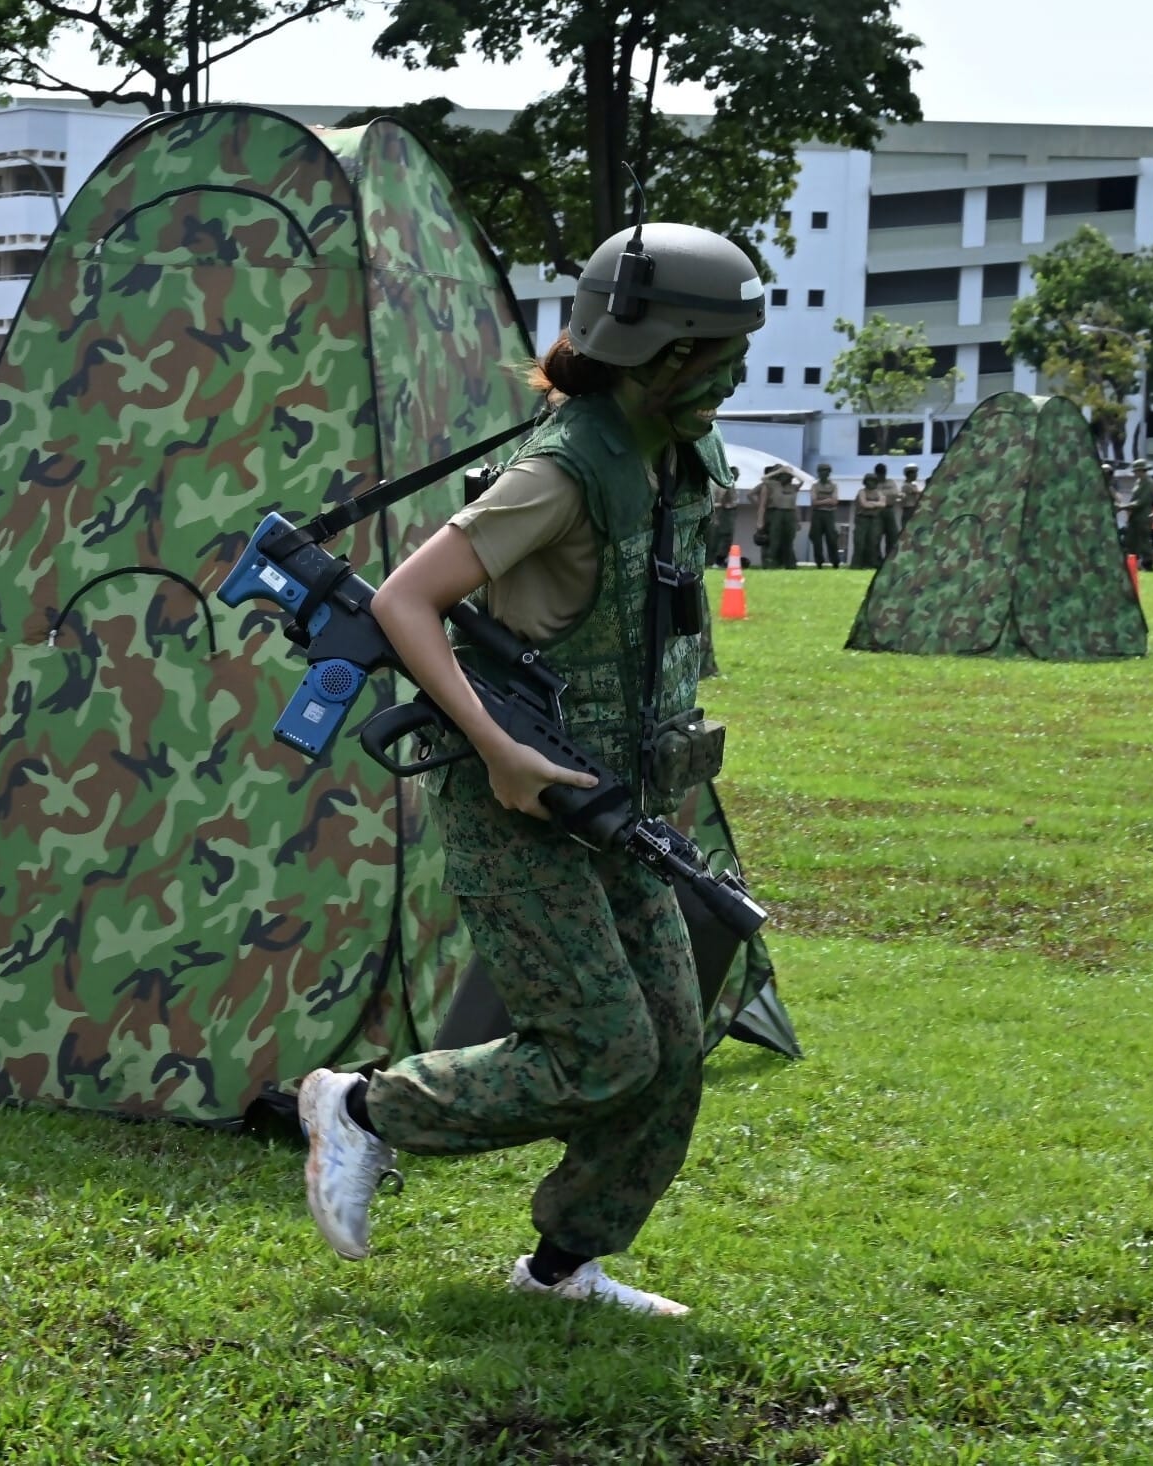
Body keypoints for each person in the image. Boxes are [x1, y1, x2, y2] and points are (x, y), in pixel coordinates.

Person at [293, 219, 764, 1318]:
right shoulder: (558, 471)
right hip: (519, 797)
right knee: (600, 1049)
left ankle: (562, 1268)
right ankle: (362, 1107)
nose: (729, 379)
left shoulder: (672, 456)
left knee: (669, 1042)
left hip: (619, 798)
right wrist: (500, 750)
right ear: (657, 353)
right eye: (715, 356)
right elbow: (409, 599)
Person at [1120, 459, 1153, 572]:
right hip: (1135, 516)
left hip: (1143, 516)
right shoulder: (1138, 482)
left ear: (1142, 470)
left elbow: (1142, 501)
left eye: (1136, 471)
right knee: (1131, 541)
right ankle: (1133, 565)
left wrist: (1125, 506)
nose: (1135, 473)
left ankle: (1148, 564)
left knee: (1144, 541)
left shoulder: (1149, 483)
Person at [758, 467, 800, 569]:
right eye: (783, 476)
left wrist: (792, 472)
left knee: (789, 540)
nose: (785, 477)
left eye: (787, 476)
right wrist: (779, 471)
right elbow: (763, 479)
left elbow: (802, 481)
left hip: (790, 514)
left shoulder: (793, 487)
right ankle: (771, 563)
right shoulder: (774, 485)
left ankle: (790, 564)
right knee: (774, 539)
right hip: (777, 513)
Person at [850, 464, 889, 568]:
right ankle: (857, 564)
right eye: (869, 480)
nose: (870, 483)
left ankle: (871, 564)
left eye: (873, 481)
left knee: (873, 542)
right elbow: (864, 504)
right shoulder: (862, 492)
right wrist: (875, 504)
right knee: (860, 542)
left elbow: (883, 504)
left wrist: (872, 504)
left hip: (874, 520)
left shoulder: (879, 493)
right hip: (862, 519)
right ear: (865, 482)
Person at [808, 465, 842, 568]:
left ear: (829, 473)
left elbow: (835, 501)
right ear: (818, 472)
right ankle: (819, 562)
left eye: (826, 471)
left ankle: (835, 561)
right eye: (821, 471)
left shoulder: (834, 486)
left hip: (829, 514)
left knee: (832, 538)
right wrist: (827, 500)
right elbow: (814, 502)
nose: (823, 473)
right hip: (817, 514)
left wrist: (821, 501)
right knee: (816, 539)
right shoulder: (815, 486)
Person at [708, 476, 743, 567]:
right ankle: (717, 560)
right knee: (725, 537)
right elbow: (723, 497)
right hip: (724, 513)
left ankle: (715, 560)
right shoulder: (727, 483)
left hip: (721, 512)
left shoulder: (718, 483)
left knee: (719, 537)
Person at [895, 465, 924, 539]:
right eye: (914, 473)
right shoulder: (906, 486)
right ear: (909, 474)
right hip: (909, 509)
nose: (916, 475)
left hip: (913, 508)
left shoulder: (913, 485)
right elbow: (917, 493)